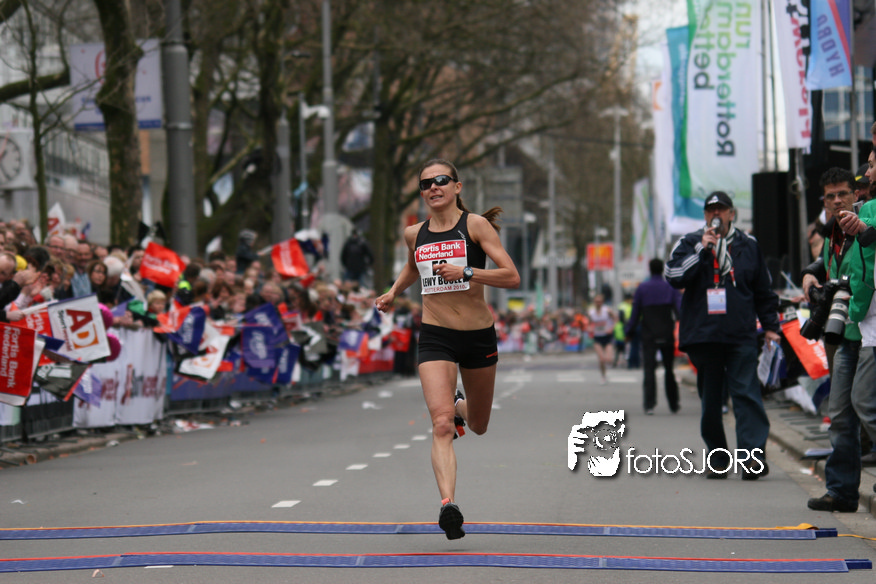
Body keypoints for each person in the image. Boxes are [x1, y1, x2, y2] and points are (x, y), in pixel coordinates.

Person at [375, 158, 520, 540]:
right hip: (436, 334)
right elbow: (414, 267)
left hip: (477, 335)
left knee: (479, 425)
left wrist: (467, 271)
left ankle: (460, 406)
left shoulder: (475, 226)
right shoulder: (414, 233)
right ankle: (448, 505)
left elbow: (511, 276)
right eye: (426, 184)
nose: (433, 187)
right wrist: (393, 291)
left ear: (457, 186)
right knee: (441, 424)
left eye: (441, 180)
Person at [665, 190, 780, 480]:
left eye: (721, 209)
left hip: (740, 332)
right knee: (711, 400)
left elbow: (763, 290)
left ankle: (752, 459)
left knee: (746, 394)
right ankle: (718, 458)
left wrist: (770, 327)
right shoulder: (691, 242)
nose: (716, 214)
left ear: (731, 213)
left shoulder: (748, 245)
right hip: (704, 335)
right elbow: (673, 275)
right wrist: (700, 250)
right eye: (710, 210)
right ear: (705, 215)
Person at [801, 167, 876, 512]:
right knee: (841, 414)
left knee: (867, 408)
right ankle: (842, 492)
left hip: (869, 329)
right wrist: (810, 272)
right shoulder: (833, 232)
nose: (837, 201)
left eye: (843, 193)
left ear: (855, 194)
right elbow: (830, 262)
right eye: (830, 196)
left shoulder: (867, 222)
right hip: (846, 333)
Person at [626, 258, 682, 415]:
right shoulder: (669, 287)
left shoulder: (642, 288)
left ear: (650, 269)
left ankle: (649, 404)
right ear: (662, 269)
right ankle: (674, 403)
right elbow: (679, 310)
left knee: (649, 369)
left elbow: (635, 313)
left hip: (649, 333)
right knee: (669, 369)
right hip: (666, 332)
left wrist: (629, 332)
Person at [587, 294, 615, 384]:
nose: (598, 303)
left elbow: (616, 319)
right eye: (596, 302)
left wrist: (611, 328)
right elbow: (588, 323)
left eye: (599, 302)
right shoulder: (591, 312)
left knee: (609, 359)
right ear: (594, 302)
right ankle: (603, 376)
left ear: (602, 302)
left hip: (607, 337)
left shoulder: (607, 310)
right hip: (597, 337)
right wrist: (589, 328)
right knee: (602, 359)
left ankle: (607, 368)